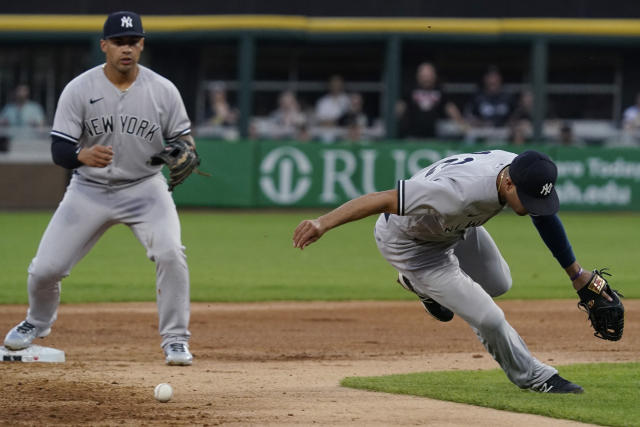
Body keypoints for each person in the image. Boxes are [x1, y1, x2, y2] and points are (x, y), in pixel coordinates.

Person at [293, 149, 609, 393]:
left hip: (455, 229)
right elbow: (381, 200)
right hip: (412, 246)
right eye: (525, 198)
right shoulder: (456, 192)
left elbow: (544, 216)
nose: (529, 205)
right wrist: (323, 223)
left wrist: (576, 273)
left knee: (500, 282)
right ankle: (535, 377)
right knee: (489, 317)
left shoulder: (520, 169)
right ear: (508, 182)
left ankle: (424, 288)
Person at [3, 11, 194, 366]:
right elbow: (60, 150)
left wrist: (184, 150)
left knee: (171, 254)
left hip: (145, 189)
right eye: (119, 42)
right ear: (104, 46)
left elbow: (183, 139)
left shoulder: (163, 90)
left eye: (133, 42)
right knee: (45, 269)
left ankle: (176, 339)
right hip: (89, 190)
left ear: (142, 45)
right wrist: (82, 154)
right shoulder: (79, 89)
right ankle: (37, 322)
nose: (127, 49)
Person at [397, 62, 466, 139]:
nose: (426, 78)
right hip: (412, 134)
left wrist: (461, 123)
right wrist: (393, 122)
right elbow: (400, 107)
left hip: (436, 135)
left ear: (434, 76)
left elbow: (450, 108)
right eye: (424, 75)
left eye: (429, 75)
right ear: (418, 76)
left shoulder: (440, 91)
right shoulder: (410, 90)